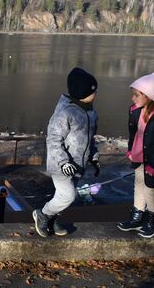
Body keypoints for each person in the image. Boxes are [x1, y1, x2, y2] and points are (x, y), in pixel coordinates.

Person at [32, 67, 100, 237]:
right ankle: (43, 214)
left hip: (78, 164)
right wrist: (63, 162)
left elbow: (90, 139)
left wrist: (94, 158)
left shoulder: (91, 113)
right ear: (83, 93)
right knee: (68, 195)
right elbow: (53, 139)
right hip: (61, 164)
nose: (96, 93)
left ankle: (52, 220)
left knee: (64, 197)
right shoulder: (65, 112)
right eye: (93, 91)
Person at [118, 69, 154, 238]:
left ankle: (153, 220)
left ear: (148, 96)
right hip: (139, 156)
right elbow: (134, 133)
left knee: (150, 190)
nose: (133, 98)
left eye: (136, 95)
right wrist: (131, 149)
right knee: (138, 185)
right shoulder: (136, 110)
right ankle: (137, 216)